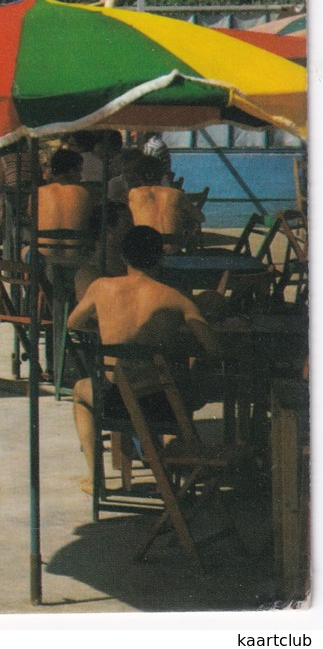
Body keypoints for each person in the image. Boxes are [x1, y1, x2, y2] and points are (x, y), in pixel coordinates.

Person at [67, 225, 218, 492]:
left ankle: (95, 477)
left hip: (114, 400)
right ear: (160, 258)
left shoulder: (101, 287)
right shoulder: (175, 297)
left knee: (80, 390)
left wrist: (106, 328)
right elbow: (212, 347)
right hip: (163, 403)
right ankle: (186, 457)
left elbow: (74, 323)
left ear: (124, 257)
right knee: (189, 383)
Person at [36, 147, 95, 293]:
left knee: (24, 250)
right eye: (79, 171)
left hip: (45, 259)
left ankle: (37, 297)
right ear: (70, 171)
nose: (81, 176)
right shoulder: (86, 193)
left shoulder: (38, 193)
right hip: (77, 260)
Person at [125, 153, 203, 254]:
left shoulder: (133, 194)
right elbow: (201, 218)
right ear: (162, 175)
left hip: (145, 253)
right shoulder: (176, 193)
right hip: (173, 252)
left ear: (137, 175)